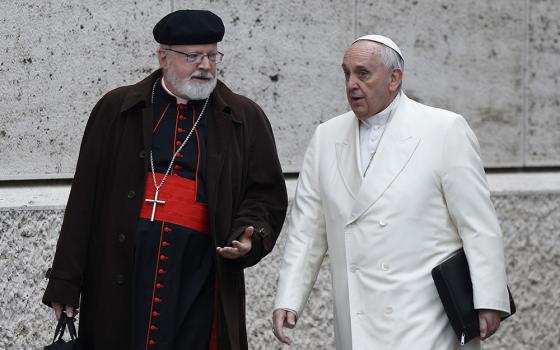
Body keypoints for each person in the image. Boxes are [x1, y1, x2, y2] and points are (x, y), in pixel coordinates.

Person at [42, 9, 287, 350]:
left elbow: (265, 196)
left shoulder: (244, 118)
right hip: (123, 275)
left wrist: (250, 238)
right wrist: (65, 282)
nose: (205, 65)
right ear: (163, 57)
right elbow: (84, 199)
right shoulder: (117, 109)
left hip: (200, 277)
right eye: (193, 56)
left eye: (212, 55)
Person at [272, 34, 511, 349]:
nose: (351, 84)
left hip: (426, 317)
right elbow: (306, 229)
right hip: (357, 317)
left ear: (394, 78)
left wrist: (488, 298)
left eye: (363, 73)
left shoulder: (444, 129)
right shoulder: (326, 137)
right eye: (346, 73)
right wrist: (289, 297)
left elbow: (478, 224)